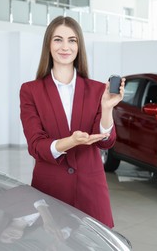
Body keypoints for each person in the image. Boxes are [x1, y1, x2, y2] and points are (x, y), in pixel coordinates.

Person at [19, 15, 124, 228]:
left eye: (72, 40)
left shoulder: (97, 90)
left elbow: (106, 142)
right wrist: (71, 141)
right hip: (50, 192)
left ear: (79, 46)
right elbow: (36, 146)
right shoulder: (30, 90)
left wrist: (106, 108)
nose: (65, 46)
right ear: (48, 44)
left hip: (91, 192)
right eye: (58, 39)